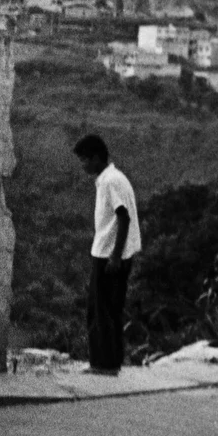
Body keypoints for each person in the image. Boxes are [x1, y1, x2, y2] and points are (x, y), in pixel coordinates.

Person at [74, 133, 141, 374]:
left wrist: (115, 256)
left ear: (96, 158)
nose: (83, 166)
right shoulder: (113, 178)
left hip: (109, 254)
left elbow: (123, 217)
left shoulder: (110, 181)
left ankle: (103, 364)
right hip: (110, 252)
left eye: (85, 160)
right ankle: (109, 362)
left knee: (101, 310)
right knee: (109, 310)